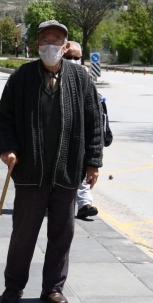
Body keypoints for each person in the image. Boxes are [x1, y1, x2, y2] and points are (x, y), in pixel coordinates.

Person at [0, 20, 103, 303]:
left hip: (67, 172)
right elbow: (4, 116)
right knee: (23, 235)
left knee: (61, 234)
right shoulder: (22, 76)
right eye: (45, 39)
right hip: (30, 171)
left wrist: (93, 163)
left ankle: (53, 288)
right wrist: (8, 149)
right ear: (37, 45)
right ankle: (14, 287)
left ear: (66, 46)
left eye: (57, 40)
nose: (51, 45)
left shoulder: (81, 80)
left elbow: (95, 123)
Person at [63, 41, 98, 219]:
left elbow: (94, 116)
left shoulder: (85, 79)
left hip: (79, 138)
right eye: (68, 57)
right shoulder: (49, 76)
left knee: (81, 171)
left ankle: (85, 204)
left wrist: (94, 159)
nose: (73, 61)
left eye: (77, 58)